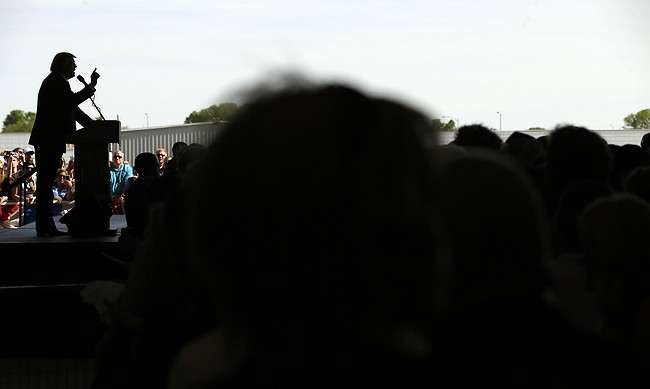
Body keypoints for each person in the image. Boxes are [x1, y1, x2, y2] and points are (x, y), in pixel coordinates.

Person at [28, 51, 99, 237]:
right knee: (44, 186)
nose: (75, 67)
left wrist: (93, 126)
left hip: (49, 141)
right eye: (72, 64)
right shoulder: (55, 81)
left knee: (45, 184)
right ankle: (44, 226)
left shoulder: (58, 81)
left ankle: (45, 226)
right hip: (48, 140)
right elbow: (72, 102)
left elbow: (72, 109)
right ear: (62, 65)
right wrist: (91, 85)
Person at [109, 150, 133, 214]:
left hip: (122, 197)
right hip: (110, 196)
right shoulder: (108, 169)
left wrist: (122, 195)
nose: (117, 158)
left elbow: (127, 183)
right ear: (112, 158)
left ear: (123, 159)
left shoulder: (128, 169)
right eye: (115, 156)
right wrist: (111, 196)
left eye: (119, 157)